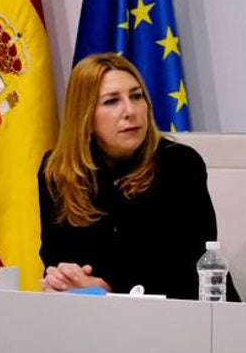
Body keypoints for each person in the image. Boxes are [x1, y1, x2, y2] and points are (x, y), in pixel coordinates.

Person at [39, 53, 223, 300]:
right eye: (111, 101)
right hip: (91, 319)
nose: (130, 110)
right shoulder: (58, 170)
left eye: (136, 96)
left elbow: (187, 268)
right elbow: (56, 256)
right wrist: (66, 279)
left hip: (188, 316)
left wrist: (109, 290)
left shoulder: (180, 164)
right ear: (84, 116)